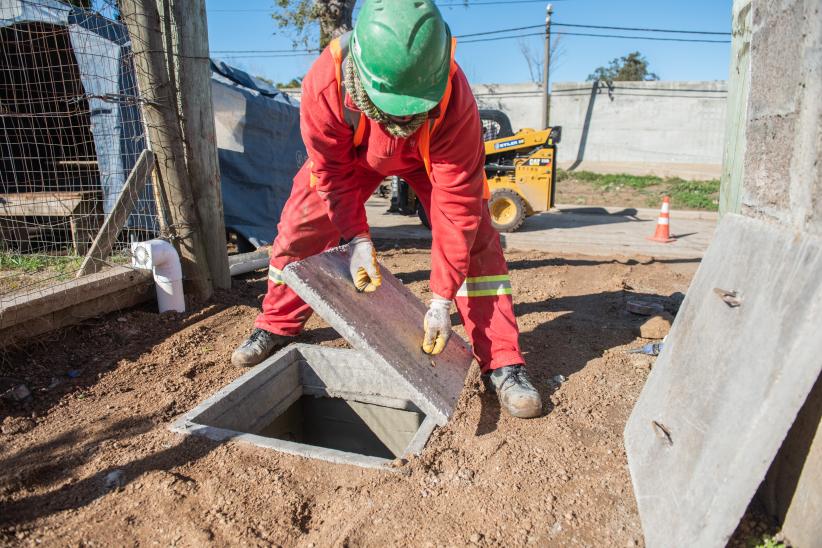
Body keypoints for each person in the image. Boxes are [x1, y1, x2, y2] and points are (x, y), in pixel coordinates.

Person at [231, 0, 541, 419]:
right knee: (300, 224)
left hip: (428, 159)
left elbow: (457, 208)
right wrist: (357, 237)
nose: (406, 117)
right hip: (354, 157)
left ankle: (502, 361)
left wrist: (440, 300)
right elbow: (332, 174)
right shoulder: (327, 84)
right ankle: (276, 324)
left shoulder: (453, 100)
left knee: (478, 242)